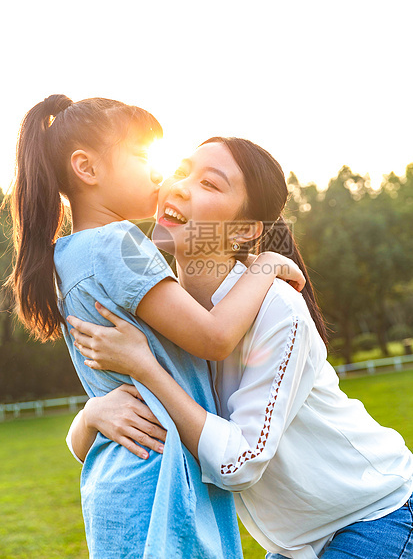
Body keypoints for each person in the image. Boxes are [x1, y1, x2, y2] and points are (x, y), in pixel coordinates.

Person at [68, 137, 413, 559]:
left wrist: (145, 368)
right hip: (294, 545)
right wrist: (92, 415)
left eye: (210, 185)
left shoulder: (277, 308)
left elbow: (241, 462)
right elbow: (133, 442)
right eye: (180, 171)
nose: (178, 186)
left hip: (373, 515)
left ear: (245, 230)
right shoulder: (166, 316)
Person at [8, 96, 305, 559]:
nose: (158, 173)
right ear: (86, 168)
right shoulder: (119, 243)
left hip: (118, 475)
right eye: (143, 157)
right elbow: (212, 337)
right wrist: (264, 265)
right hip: (159, 479)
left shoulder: (66, 256)